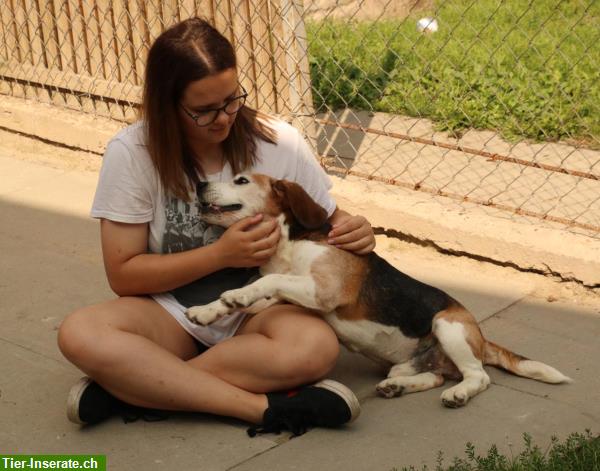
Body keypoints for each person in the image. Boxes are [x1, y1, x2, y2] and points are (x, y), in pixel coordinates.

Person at [57, 17, 375, 437]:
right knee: (79, 333)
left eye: (231, 100)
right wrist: (220, 255)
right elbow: (123, 274)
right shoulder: (132, 153)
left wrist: (357, 230)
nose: (224, 119)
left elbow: (327, 221)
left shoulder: (279, 141)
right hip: (170, 311)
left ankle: (132, 389)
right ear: (166, 105)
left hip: (260, 311)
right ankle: (262, 409)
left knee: (316, 348)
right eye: (204, 111)